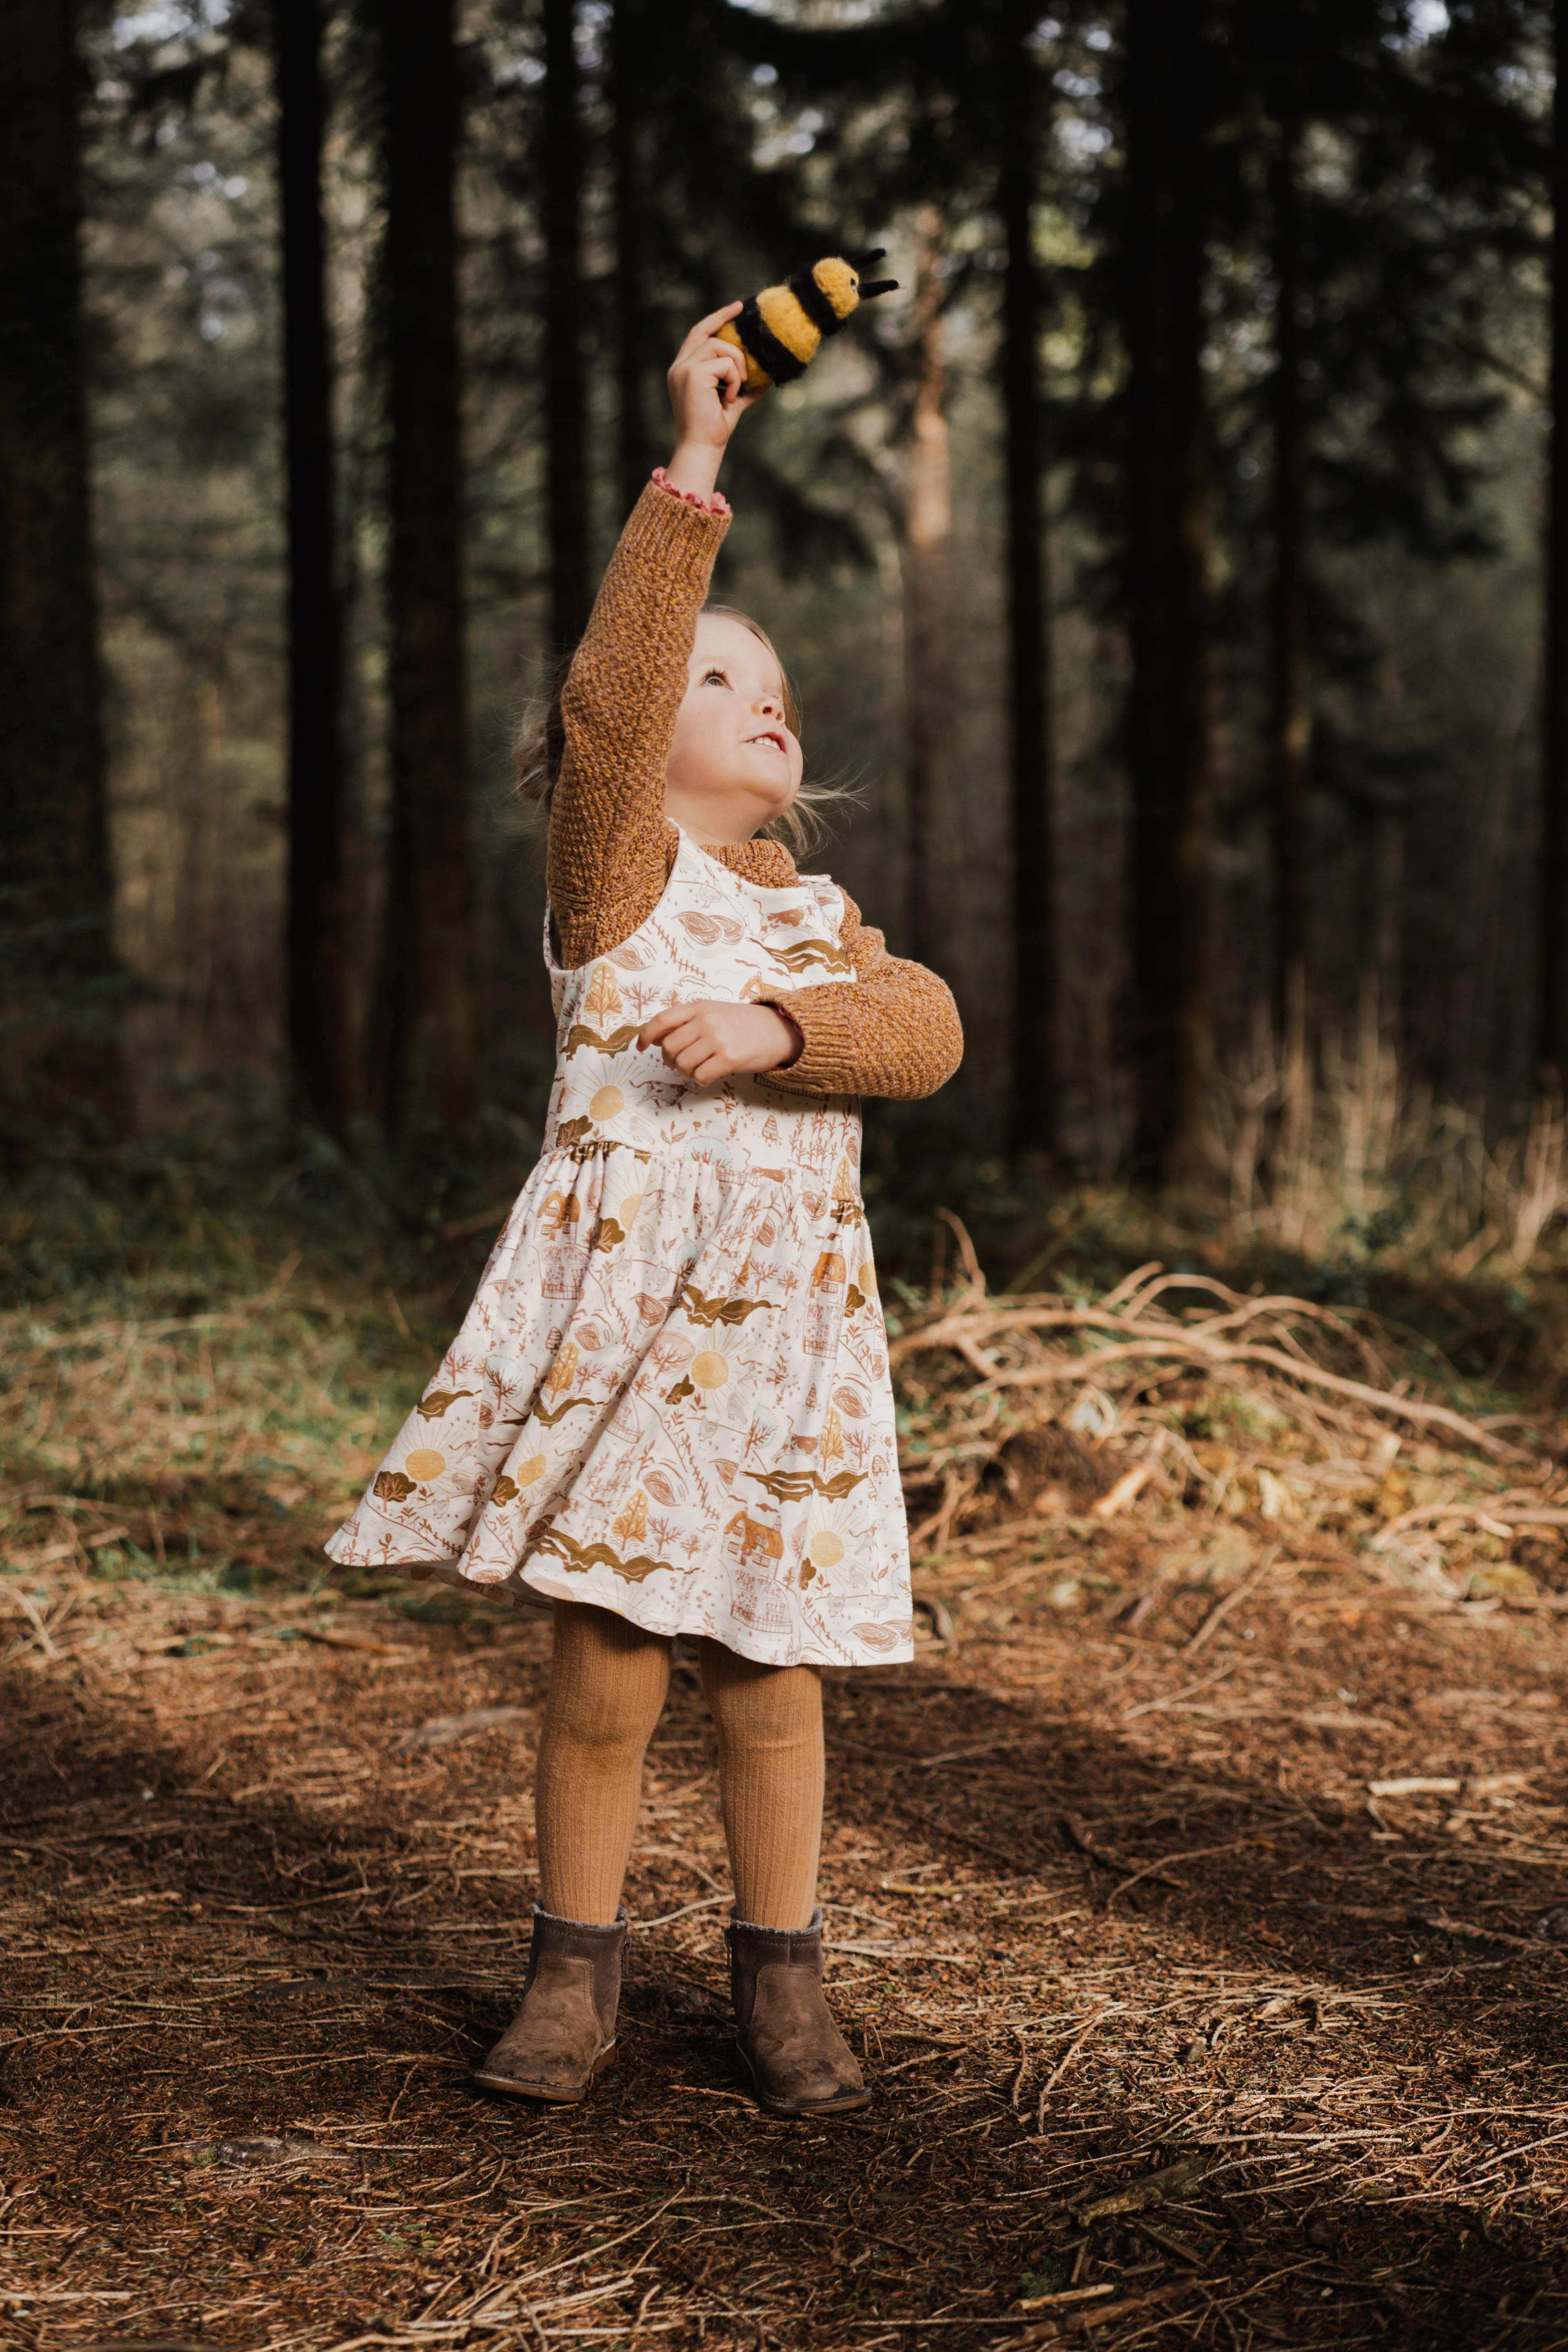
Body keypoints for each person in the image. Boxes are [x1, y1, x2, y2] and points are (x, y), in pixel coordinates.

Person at [327, 305, 963, 2118]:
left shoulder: (815, 921)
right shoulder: (619, 873)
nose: (758, 696)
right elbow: (619, 697)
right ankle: (572, 1977)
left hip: (788, 1350)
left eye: (773, 686)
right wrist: (695, 465)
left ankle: (781, 1985)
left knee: (773, 1666)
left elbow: (924, 1029)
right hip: (630, 1329)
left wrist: (780, 1023)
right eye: (716, 675)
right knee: (607, 1654)